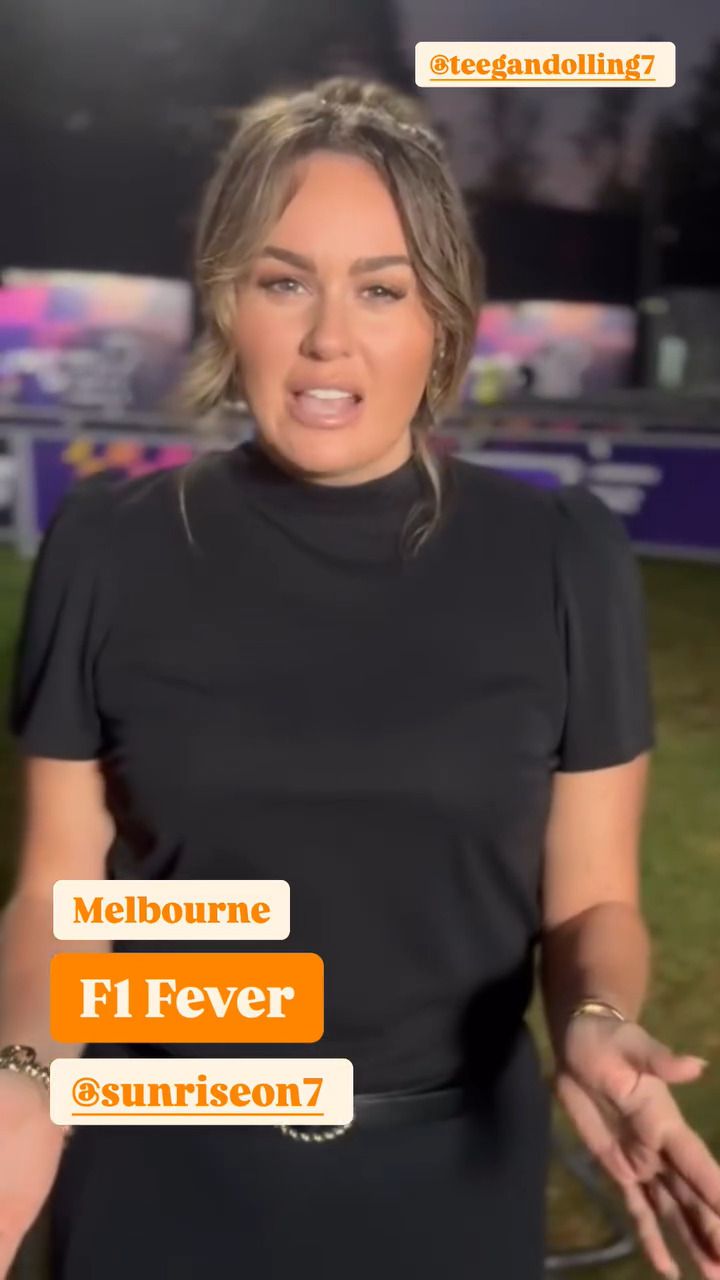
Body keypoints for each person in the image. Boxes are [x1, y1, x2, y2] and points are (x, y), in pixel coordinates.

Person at [2, 75, 720, 1280]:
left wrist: (598, 1020)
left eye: (381, 289)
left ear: (443, 317)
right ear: (227, 298)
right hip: (154, 1169)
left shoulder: (561, 558)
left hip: (446, 1187)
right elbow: (60, 894)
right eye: (284, 281)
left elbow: (591, 904)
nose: (329, 336)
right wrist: (25, 1079)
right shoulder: (110, 546)